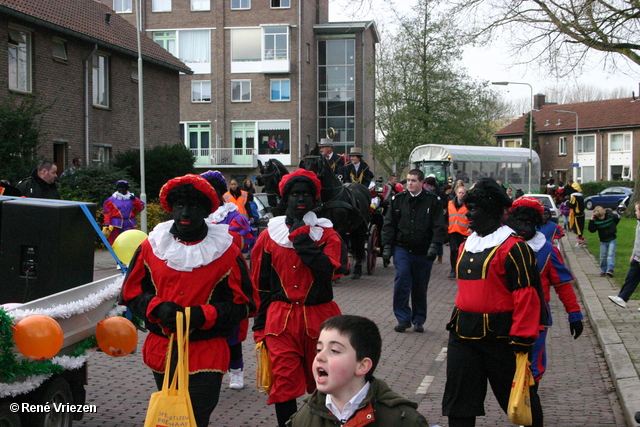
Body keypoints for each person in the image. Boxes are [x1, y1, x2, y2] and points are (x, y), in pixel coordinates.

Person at [120, 174, 257, 427]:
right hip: (163, 349)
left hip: (207, 351)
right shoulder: (152, 246)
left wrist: (203, 315)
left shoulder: (225, 251)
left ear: (206, 210)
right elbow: (130, 294)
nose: (185, 212)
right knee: (170, 418)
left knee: (194, 418)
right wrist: (156, 307)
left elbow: (244, 305)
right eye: (180, 206)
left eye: (193, 206)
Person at [442, 178, 546, 427]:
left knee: (519, 397)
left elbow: (528, 296)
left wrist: (522, 338)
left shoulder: (514, 248)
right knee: (459, 402)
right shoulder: (468, 244)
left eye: (474, 210)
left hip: (501, 338)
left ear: (491, 212)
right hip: (463, 334)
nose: (468, 215)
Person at [251, 169, 348, 427]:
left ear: (315, 198)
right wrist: (259, 325)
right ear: (286, 198)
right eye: (295, 194)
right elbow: (261, 285)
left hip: (321, 319)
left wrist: (301, 238)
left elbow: (328, 271)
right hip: (280, 320)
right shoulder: (269, 236)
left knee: (325, 381)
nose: (300, 198)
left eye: (306, 193)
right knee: (283, 381)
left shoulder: (327, 235)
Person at [288, 315, 429, 427]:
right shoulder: (304, 417)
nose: (319, 357)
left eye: (334, 351)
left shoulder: (402, 420)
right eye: (319, 349)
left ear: (362, 366)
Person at [505, 197, 583, 387]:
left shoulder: (547, 250)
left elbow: (562, 284)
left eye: (528, 222)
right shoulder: (502, 247)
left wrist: (574, 314)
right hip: (506, 314)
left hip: (536, 315)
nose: (523, 227)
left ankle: (531, 400)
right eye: (519, 222)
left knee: (534, 362)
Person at [200, 170, 255, 390]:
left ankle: (236, 371)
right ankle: (208, 371)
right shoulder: (196, 215)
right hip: (201, 278)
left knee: (231, 327)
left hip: (227, 276)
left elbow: (240, 247)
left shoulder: (234, 216)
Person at [381, 169, 446, 333]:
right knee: (402, 279)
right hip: (402, 248)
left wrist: (434, 246)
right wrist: (387, 247)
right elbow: (389, 225)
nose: (410, 183)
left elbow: (439, 226)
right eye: (408, 180)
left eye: (413, 180)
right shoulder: (398, 200)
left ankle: (418, 319)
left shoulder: (433, 201)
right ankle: (403, 318)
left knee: (420, 285)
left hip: (423, 250)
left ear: (422, 183)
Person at [609, 201, 640, 310]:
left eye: (637, 210)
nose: (635, 212)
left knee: (633, 277)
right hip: (637, 258)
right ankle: (622, 298)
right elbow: (637, 242)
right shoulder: (639, 223)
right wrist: (634, 254)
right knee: (631, 278)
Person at [101, 180, 145, 246]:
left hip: (130, 224)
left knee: (131, 243)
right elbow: (107, 213)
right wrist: (107, 223)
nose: (121, 190)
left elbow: (140, 208)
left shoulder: (133, 199)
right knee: (116, 243)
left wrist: (135, 201)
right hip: (116, 225)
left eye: (123, 188)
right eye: (120, 188)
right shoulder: (110, 200)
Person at [588, 206, 620, 277]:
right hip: (603, 239)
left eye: (602, 216)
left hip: (612, 238)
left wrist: (613, 226)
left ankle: (610, 269)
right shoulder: (596, 220)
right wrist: (591, 221)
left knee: (611, 254)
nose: (601, 218)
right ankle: (603, 270)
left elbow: (617, 218)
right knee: (603, 256)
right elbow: (592, 230)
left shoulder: (610, 216)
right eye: (599, 217)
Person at [447, 186, 470, 279]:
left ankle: (461, 269)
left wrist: (471, 227)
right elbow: (446, 216)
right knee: (453, 250)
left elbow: (471, 217)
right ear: (456, 193)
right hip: (452, 230)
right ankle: (453, 269)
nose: (461, 195)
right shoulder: (450, 203)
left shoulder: (468, 205)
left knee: (462, 252)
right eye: (459, 193)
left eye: (463, 193)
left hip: (464, 231)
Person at [567, 181, 586, 247]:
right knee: (581, 227)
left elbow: (572, 205)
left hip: (576, 214)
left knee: (577, 228)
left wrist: (567, 203)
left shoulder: (573, 196)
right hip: (582, 214)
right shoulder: (581, 196)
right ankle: (582, 240)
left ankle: (580, 242)